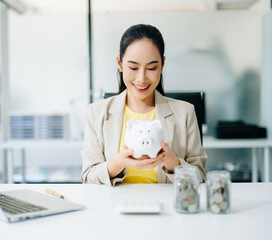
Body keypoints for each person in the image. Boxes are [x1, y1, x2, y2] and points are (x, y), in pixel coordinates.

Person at [81, 24, 207, 186]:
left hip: (169, 207)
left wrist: (171, 161)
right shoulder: (96, 112)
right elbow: (87, 176)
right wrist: (119, 162)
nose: (141, 78)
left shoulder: (185, 112)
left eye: (152, 68)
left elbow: (200, 177)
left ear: (162, 65)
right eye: (133, 67)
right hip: (113, 208)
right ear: (120, 64)